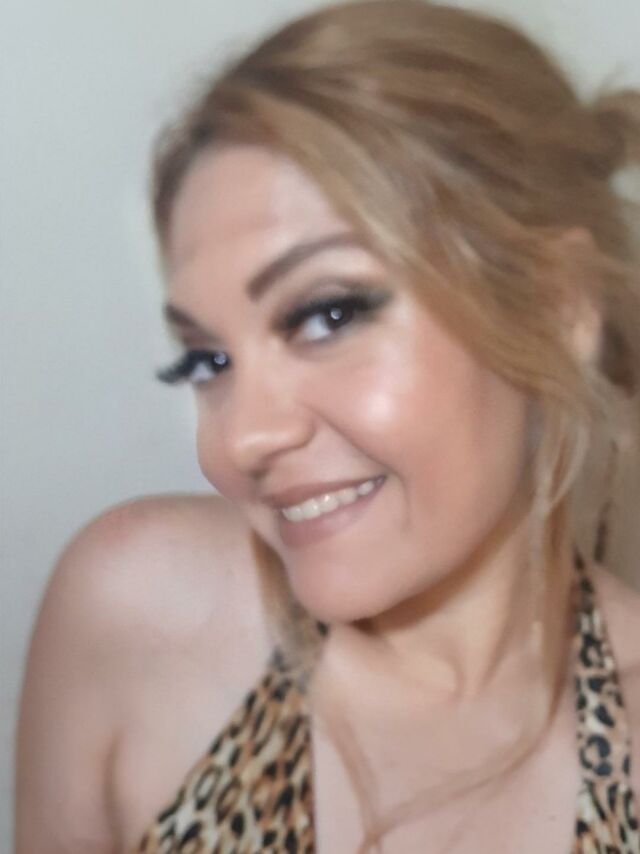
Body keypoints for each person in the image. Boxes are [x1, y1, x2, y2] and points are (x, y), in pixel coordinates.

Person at [15, 1, 640, 851]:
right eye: (207, 361)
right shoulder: (134, 616)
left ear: (560, 305)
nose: (242, 440)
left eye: (328, 314)